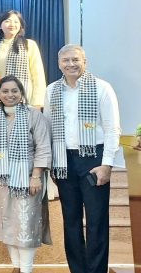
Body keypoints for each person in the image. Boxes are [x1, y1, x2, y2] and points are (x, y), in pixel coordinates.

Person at [45, 44, 122, 273]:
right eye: (66, 60)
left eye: (75, 60)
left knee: (97, 221)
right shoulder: (51, 90)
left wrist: (107, 164)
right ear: (59, 64)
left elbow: (112, 128)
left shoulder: (102, 87)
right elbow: (48, 128)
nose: (71, 64)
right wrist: (52, 164)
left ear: (84, 62)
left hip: (93, 159)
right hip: (64, 160)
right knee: (71, 220)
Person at [0, 75, 52, 273]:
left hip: (27, 179)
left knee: (26, 225)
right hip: (0, 180)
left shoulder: (34, 115)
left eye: (14, 91)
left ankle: (26, 269)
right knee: (8, 224)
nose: (10, 95)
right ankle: (16, 267)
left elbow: (43, 147)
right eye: (5, 91)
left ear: (22, 93)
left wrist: (36, 176)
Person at [0, 10, 46, 108]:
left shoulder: (29, 45)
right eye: (7, 21)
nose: (12, 24)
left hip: (24, 97)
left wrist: (37, 103)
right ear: (0, 26)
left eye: (16, 21)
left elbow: (38, 75)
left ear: (20, 26)